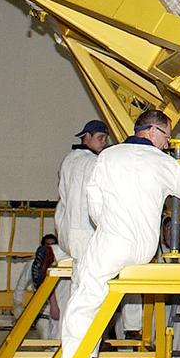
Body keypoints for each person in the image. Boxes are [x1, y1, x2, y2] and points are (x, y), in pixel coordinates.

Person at [30, 108, 180, 358]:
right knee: (111, 300)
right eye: (165, 136)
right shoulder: (161, 162)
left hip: (112, 242)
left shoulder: (108, 157)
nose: (167, 143)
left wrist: (107, 229)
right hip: (146, 249)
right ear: (152, 132)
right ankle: (132, 326)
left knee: (82, 308)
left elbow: (94, 204)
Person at [54, 120, 108, 328]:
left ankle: (75, 337)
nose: (104, 143)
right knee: (87, 292)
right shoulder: (91, 163)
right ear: (86, 136)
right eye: (100, 138)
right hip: (85, 234)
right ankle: (82, 339)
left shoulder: (69, 160)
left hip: (68, 234)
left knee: (78, 289)